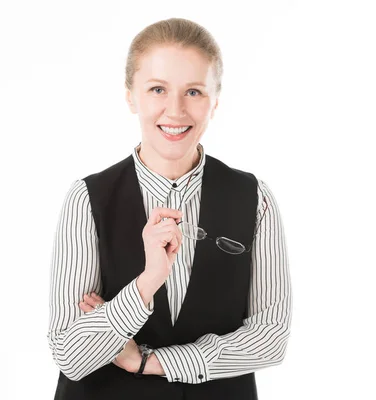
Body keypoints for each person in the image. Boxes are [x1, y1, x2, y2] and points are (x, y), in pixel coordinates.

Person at [47, 17, 292, 400]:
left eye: (193, 92)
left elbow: (270, 340)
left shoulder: (254, 199)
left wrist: (147, 361)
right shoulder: (87, 198)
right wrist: (146, 284)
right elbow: (70, 355)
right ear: (131, 96)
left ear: (216, 101)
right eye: (158, 89)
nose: (175, 111)